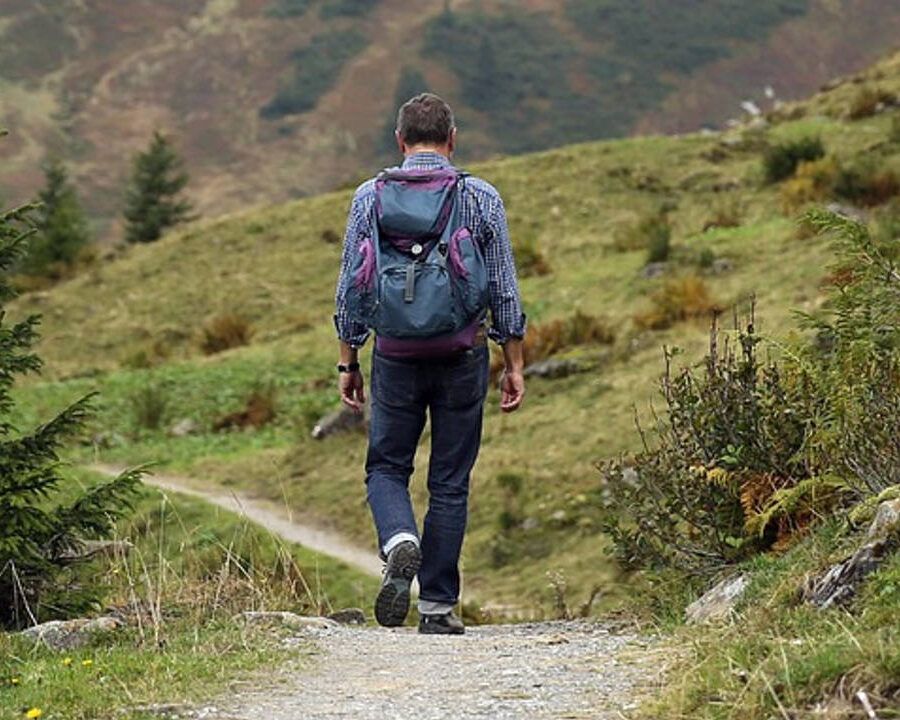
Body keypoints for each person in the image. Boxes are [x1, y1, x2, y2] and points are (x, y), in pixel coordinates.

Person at [333, 93, 526, 635]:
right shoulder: (480, 197)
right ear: (452, 138)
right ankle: (438, 607)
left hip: (394, 354)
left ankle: (400, 539)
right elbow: (505, 289)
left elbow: (352, 284)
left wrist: (348, 359)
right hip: (462, 353)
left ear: (400, 141)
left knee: (387, 466)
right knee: (449, 480)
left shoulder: (369, 197)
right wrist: (513, 361)